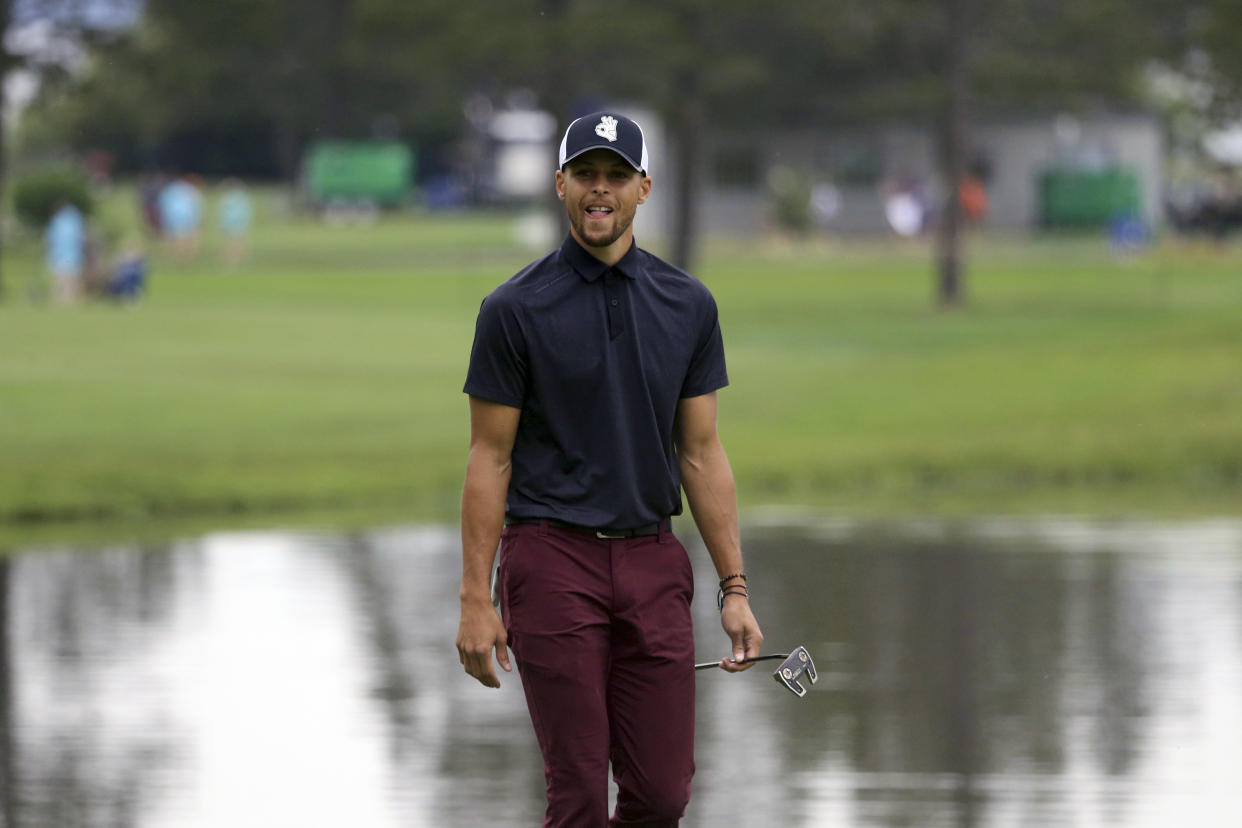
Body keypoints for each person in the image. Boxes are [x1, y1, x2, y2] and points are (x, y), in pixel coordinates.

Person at [456, 111, 764, 827]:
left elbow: (701, 451)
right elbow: (490, 456)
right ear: (559, 184)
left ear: (644, 188)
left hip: (654, 561)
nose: (601, 191)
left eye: (616, 177)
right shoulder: (512, 309)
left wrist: (735, 588)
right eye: (586, 175)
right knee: (579, 795)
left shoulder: (688, 304)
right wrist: (477, 599)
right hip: (551, 561)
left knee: (661, 794)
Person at [44, 202, 86, 305]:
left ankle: (64, 301)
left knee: (65, 280)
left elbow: (50, 240)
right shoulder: (72, 220)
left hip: (65, 255)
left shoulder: (59, 221)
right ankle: (65, 301)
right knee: (67, 280)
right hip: (68, 255)